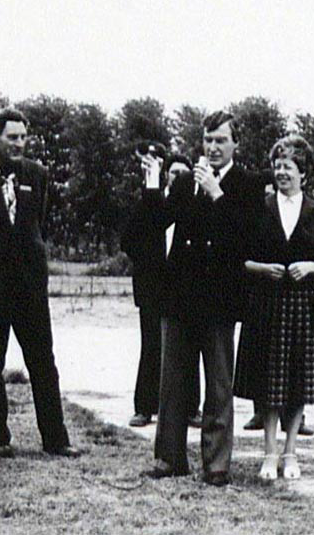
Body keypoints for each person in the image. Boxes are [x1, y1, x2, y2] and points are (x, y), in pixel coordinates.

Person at [140, 111, 268, 486]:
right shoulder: (185, 182)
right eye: (208, 140)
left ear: (235, 144)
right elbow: (154, 224)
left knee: (218, 386)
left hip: (219, 300)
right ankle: (169, 458)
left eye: (221, 140)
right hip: (179, 297)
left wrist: (217, 194)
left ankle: (216, 464)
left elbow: (248, 238)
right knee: (172, 384)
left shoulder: (247, 184)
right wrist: (152, 184)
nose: (213, 147)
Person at [0, 107, 81, 458]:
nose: (19, 143)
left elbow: (38, 224)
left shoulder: (37, 174)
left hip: (29, 288)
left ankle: (56, 439)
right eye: (12, 137)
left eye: (23, 137)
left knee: (43, 362)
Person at [233, 135, 314, 480]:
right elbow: (238, 259)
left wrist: (310, 267)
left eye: (288, 167)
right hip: (265, 305)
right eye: (277, 166)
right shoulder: (259, 207)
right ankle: (269, 453)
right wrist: (263, 269)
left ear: (303, 173)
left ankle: (291, 452)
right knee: (268, 385)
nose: (281, 172)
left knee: (296, 385)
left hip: (301, 308)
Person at [121, 153, 201, 428]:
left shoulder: (192, 205)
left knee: (189, 349)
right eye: (174, 172)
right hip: (153, 286)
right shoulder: (150, 203)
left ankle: (191, 409)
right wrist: (148, 261)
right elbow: (128, 240)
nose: (179, 178)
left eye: (184, 173)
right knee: (151, 346)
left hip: (183, 288)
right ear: (166, 175)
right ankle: (144, 408)